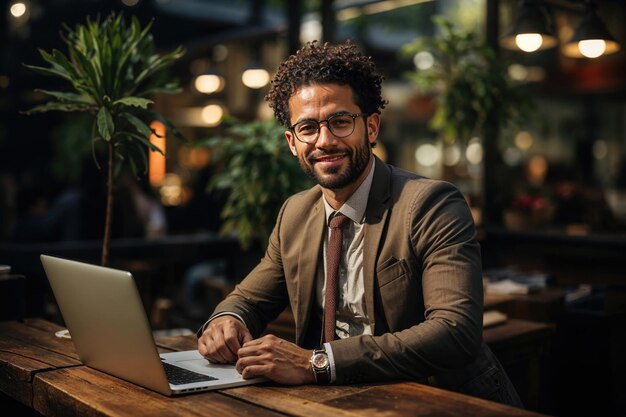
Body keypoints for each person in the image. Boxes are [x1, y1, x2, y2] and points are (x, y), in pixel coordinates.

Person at [197, 41, 522, 407]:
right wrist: (226, 321)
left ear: (371, 127)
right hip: (343, 400)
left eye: (340, 121)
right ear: (292, 142)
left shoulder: (431, 204)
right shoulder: (295, 214)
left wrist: (316, 362)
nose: (324, 141)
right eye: (307, 128)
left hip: (439, 399)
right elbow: (248, 300)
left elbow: (455, 331)